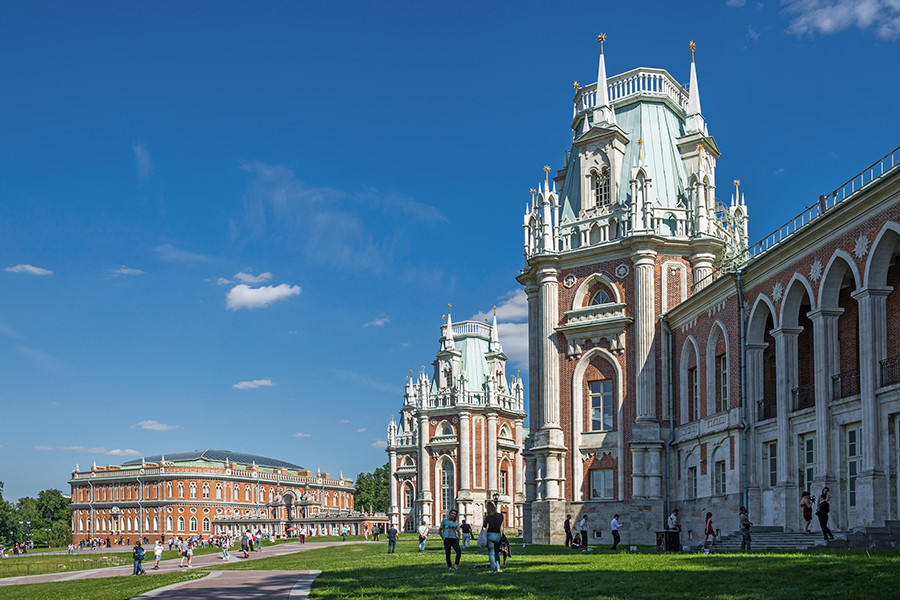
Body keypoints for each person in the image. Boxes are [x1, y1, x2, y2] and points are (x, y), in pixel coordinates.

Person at [483, 501, 504, 573]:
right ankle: (498, 568)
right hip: (498, 535)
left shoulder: (488, 517)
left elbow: (484, 526)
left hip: (490, 534)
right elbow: (500, 523)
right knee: (496, 552)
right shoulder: (500, 516)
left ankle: (493, 569)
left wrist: (484, 519)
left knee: (491, 553)